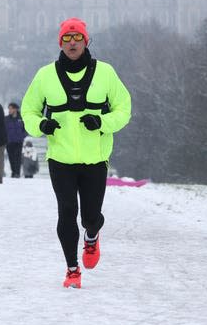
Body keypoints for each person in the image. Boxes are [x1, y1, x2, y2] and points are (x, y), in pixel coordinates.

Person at [21, 17, 131, 289]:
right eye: (67, 39)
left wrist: (103, 123)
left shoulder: (105, 73)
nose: (72, 43)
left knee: (90, 217)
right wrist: (41, 125)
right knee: (66, 212)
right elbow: (28, 111)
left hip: (96, 158)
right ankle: (72, 269)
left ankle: (91, 236)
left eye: (77, 38)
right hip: (61, 159)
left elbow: (123, 109)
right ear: (60, 42)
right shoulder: (45, 75)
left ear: (86, 41)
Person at [5, 102, 27, 178]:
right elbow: (3, 130)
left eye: (10, 109)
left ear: (15, 109)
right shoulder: (6, 119)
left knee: (17, 158)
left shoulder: (21, 118)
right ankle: (13, 172)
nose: (9, 110)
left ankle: (17, 173)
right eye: (9, 109)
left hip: (18, 142)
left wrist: (22, 136)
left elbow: (26, 129)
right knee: (11, 158)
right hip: (9, 142)